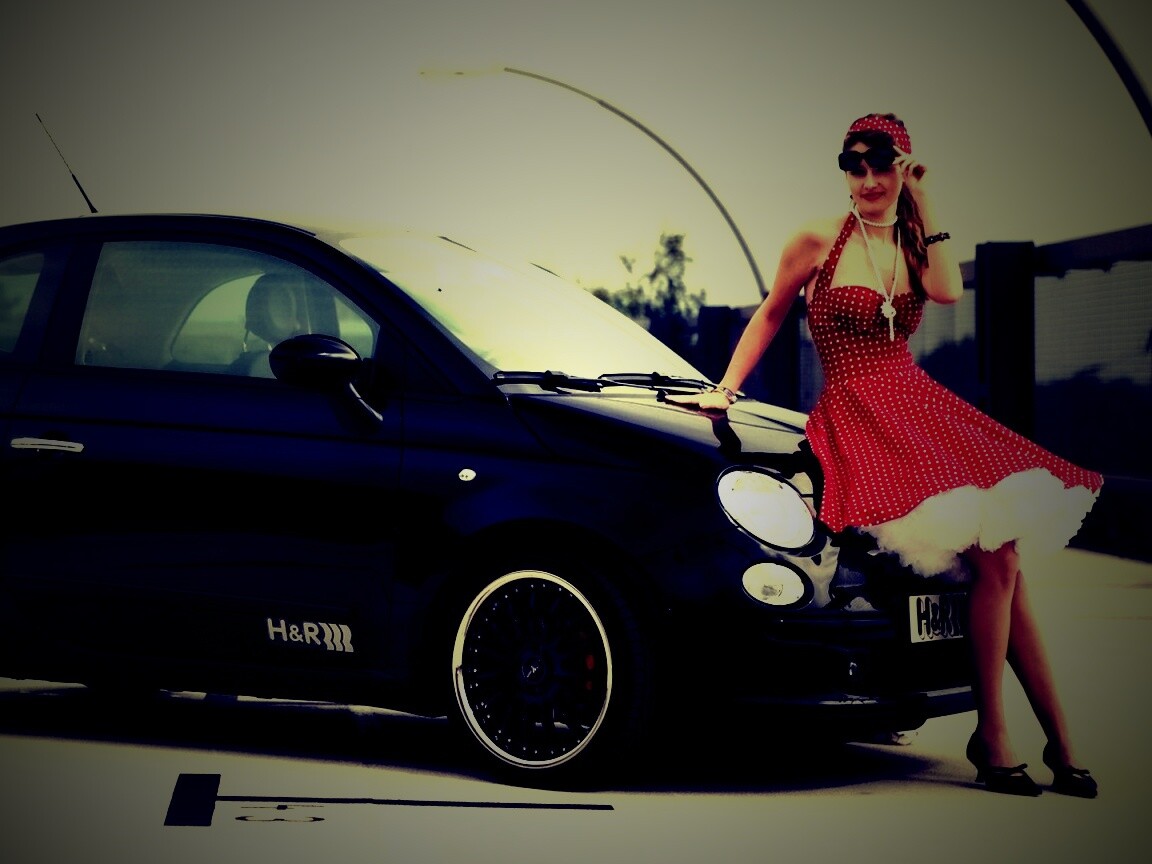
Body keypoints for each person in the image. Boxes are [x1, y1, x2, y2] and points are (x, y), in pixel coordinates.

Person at [668, 113, 1102, 798]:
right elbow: (772, 311)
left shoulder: (913, 240)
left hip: (918, 407)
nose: (867, 179)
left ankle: (1056, 740)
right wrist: (725, 388)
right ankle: (998, 737)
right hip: (856, 415)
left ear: (901, 167)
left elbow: (947, 290)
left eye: (881, 165)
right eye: (855, 165)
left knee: (1004, 556)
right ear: (844, 170)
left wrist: (924, 199)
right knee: (995, 557)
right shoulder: (816, 239)